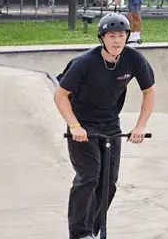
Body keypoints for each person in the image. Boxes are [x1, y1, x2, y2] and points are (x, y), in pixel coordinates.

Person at [54, 12, 155, 239]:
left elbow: (149, 91)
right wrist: (74, 126)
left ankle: (92, 230)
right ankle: (80, 233)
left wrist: (140, 125)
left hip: (110, 124)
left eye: (121, 35)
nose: (117, 41)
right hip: (83, 124)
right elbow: (60, 95)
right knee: (89, 176)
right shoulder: (84, 63)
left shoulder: (134, 59)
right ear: (102, 38)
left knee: (109, 181)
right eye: (111, 36)